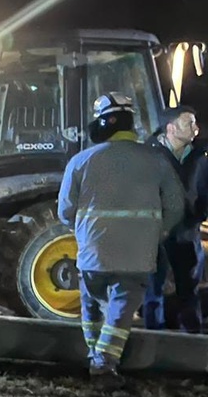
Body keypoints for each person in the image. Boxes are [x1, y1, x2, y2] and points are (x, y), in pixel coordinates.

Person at [58, 93, 184, 382]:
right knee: (120, 312)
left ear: (103, 123)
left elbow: (65, 210)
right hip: (138, 253)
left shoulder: (80, 161)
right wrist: (158, 230)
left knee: (91, 307)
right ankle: (103, 363)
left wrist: (84, 231)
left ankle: (97, 359)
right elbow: (175, 206)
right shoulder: (156, 161)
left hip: (93, 252)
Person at [142, 106, 206, 332]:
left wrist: (196, 218)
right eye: (189, 123)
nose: (195, 129)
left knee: (189, 290)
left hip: (187, 234)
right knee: (153, 290)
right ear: (170, 128)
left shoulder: (200, 156)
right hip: (156, 235)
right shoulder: (148, 156)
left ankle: (192, 337)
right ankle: (153, 338)